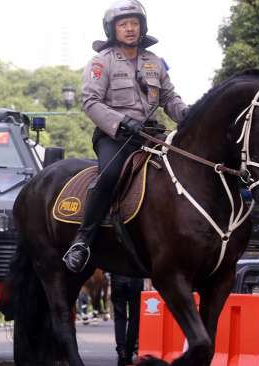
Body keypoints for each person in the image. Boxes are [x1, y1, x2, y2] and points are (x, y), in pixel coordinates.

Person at [62, 0, 188, 273]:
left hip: (152, 136)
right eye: (123, 24)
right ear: (113, 29)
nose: (130, 29)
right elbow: (90, 101)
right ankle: (82, 240)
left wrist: (188, 115)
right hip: (115, 137)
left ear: (142, 27)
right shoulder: (101, 62)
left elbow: (169, 98)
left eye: (135, 23)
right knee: (108, 175)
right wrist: (122, 123)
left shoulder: (154, 62)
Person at [110, 274, 144, 366]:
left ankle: (121, 351)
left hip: (117, 276)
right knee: (135, 318)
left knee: (119, 317)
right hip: (135, 276)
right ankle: (128, 352)